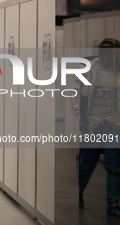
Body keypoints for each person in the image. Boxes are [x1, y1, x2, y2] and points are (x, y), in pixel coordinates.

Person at [70, 38, 120, 216]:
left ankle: (113, 204)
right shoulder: (89, 70)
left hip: (114, 125)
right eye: (113, 56)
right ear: (102, 55)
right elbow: (74, 93)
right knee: (86, 165)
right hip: (93, 125)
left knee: (115, 166)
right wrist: (80, 116)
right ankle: (80, 192)